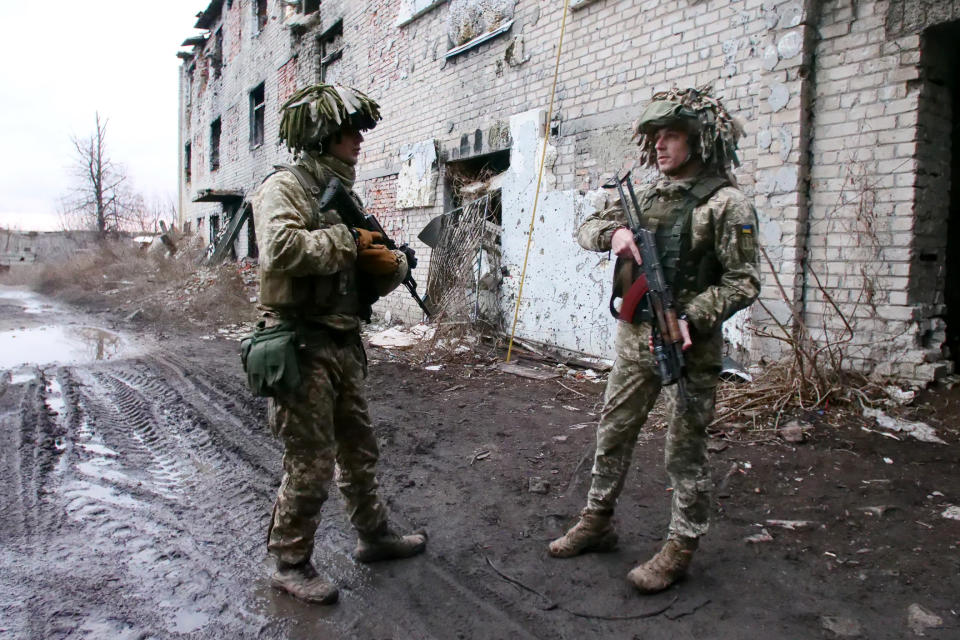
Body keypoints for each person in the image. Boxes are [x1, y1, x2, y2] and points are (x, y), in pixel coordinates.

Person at [548, 86, 761, 593]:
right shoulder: (645, 196)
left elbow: (744, 280)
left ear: (700, 142)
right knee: (613, 430)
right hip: (633, 337)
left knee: (684, 450)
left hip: (689, 344)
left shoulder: (727, 205)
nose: (659, 147)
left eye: (671, 137)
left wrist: (694, 314)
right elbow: (589, 227)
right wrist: (613, 237)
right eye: (656, 138)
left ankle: (681, 547)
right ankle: (596, 521)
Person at [250, 84, 426, 605]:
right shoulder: (286, 187)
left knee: (359, 448)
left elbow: (353, 271)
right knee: (311, 459)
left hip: (342, 340)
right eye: (351, 132)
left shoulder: (340, 190)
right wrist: (348, 243)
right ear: (325, 134)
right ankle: (290, 561)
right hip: (301, 344)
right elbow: (280, 250)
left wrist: (389, 268)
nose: (359, 141)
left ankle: (373, 536)